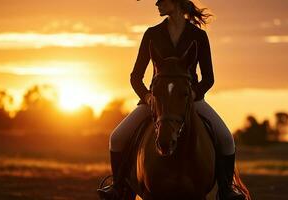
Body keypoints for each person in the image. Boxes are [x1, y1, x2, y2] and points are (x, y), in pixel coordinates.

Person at [97, 0, 246, 199]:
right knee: (116, 138)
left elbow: (208, 78)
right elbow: (136, 76)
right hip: (156, 99)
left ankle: (227, 189)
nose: (157, 4)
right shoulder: (152, 34)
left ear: (175, 3)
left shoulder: (198, 36)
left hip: (190, 99)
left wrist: (194, 93)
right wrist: (147, 96)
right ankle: (117, 186)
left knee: (226, 139)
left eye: (162, 1)